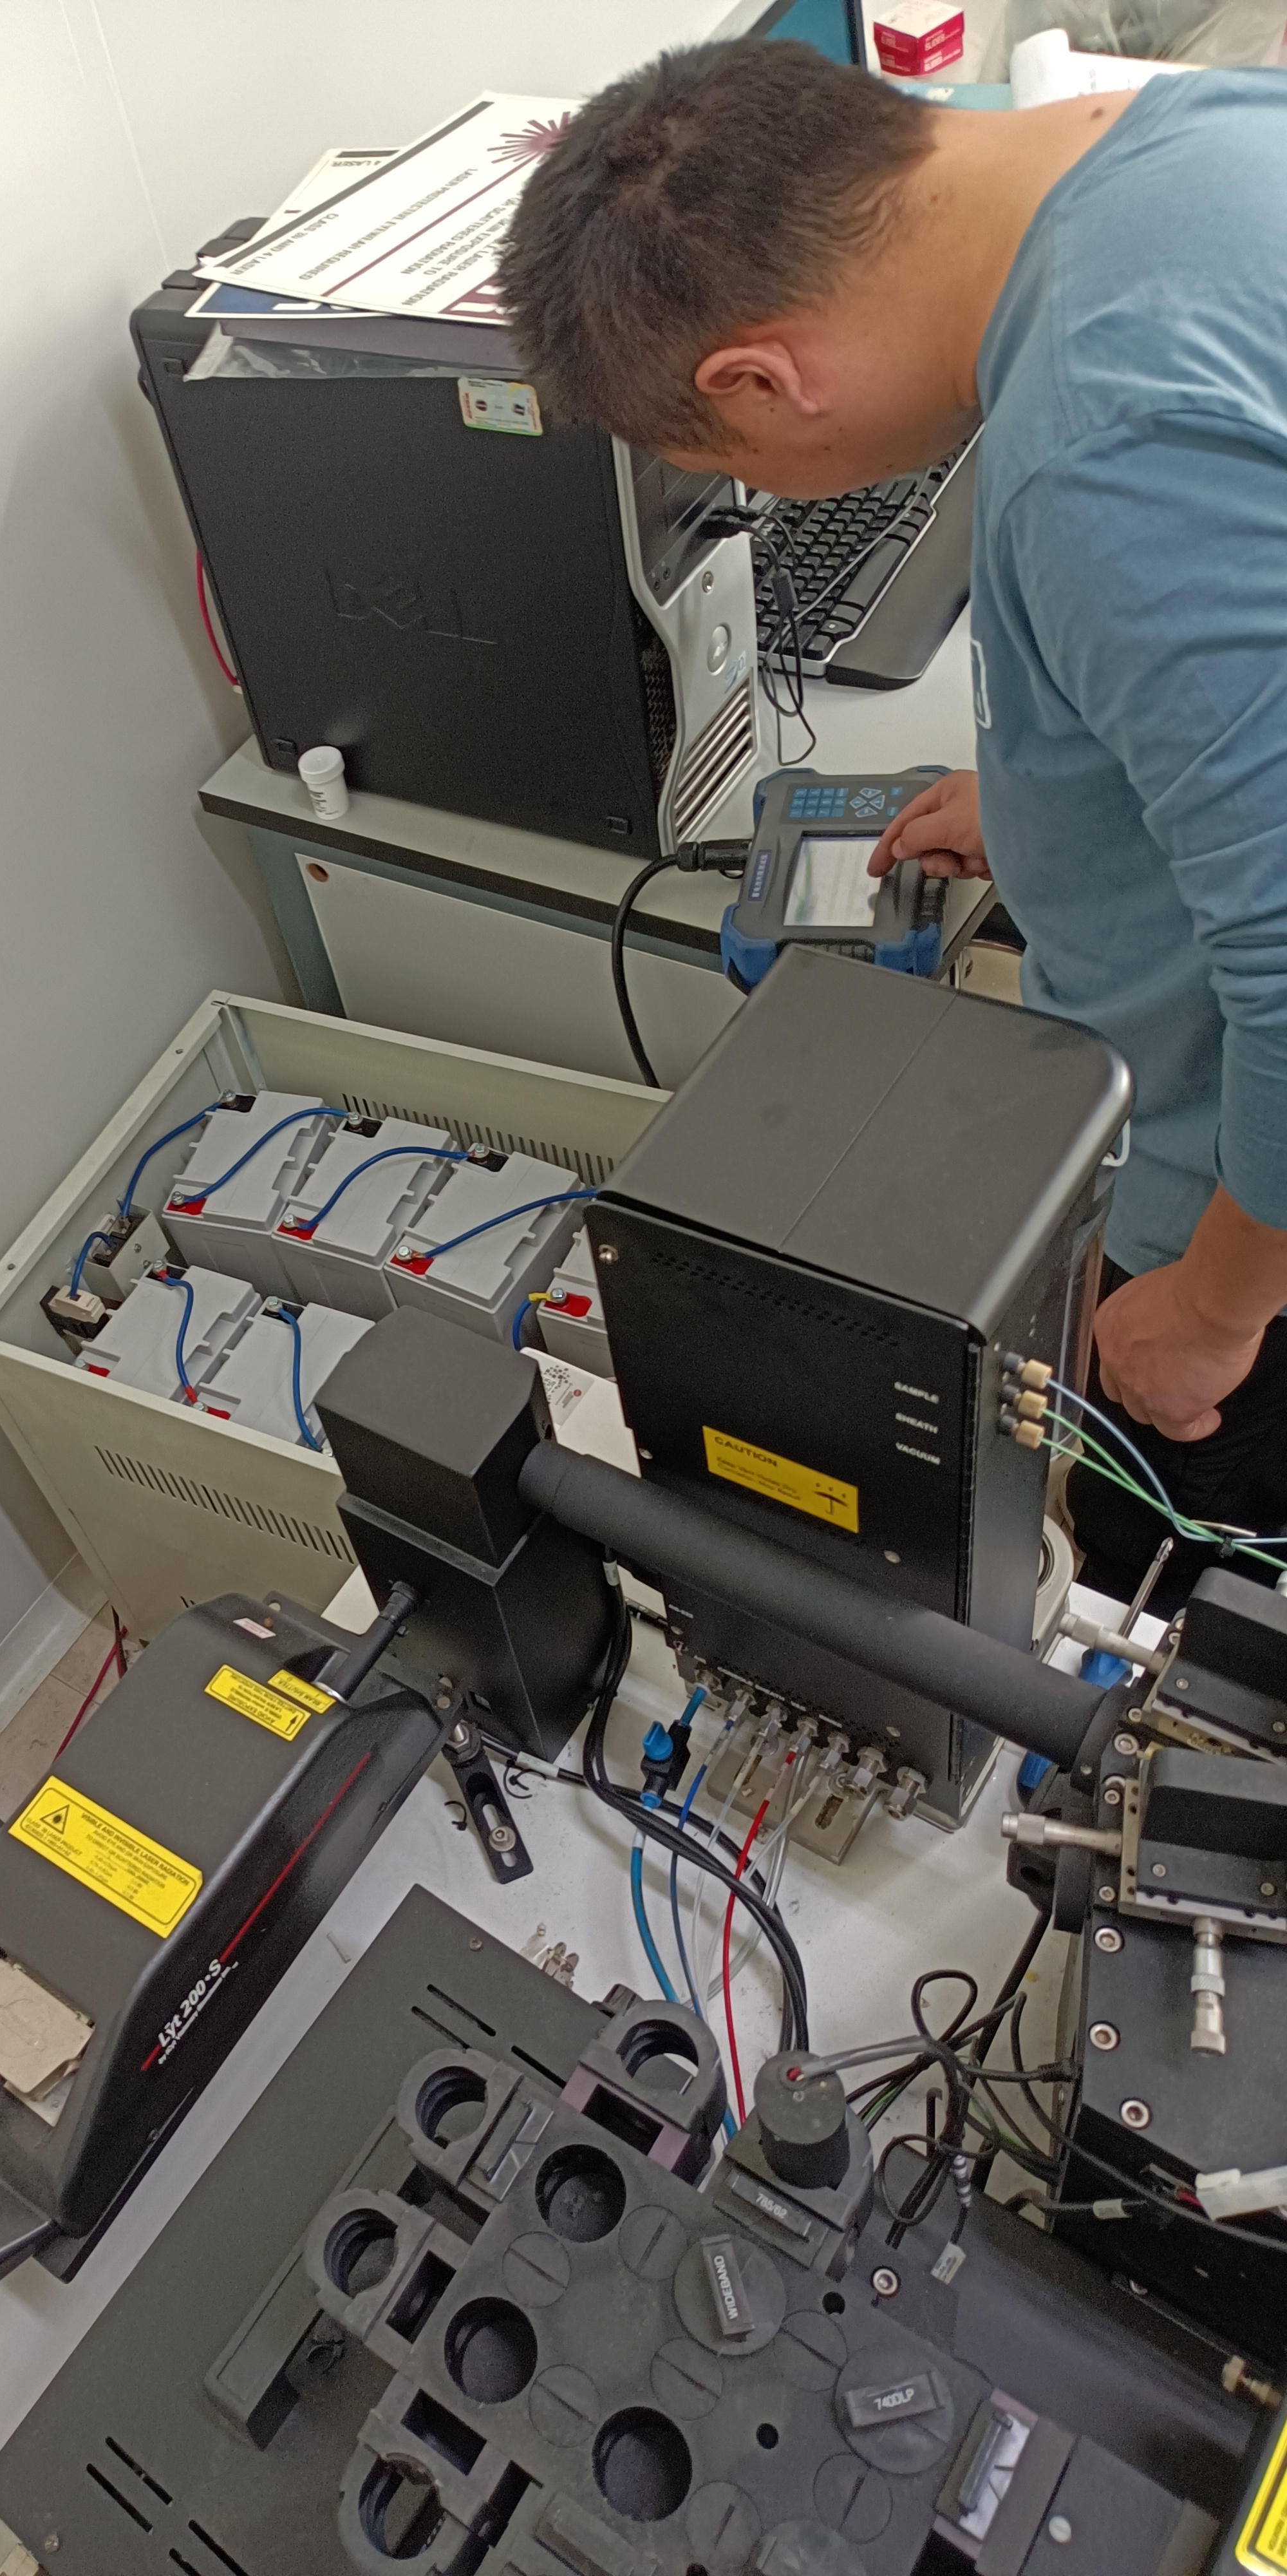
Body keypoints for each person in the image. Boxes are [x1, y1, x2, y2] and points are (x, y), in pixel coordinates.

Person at [498, 44, 1287, 1607]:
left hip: (1239, 1221)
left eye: (731, 466)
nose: (771, 494)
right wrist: (1070, 789)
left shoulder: (1097, 454)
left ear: (757, 380)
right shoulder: (1187, 138)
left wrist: (1211, 1307)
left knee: (1167, 1618)